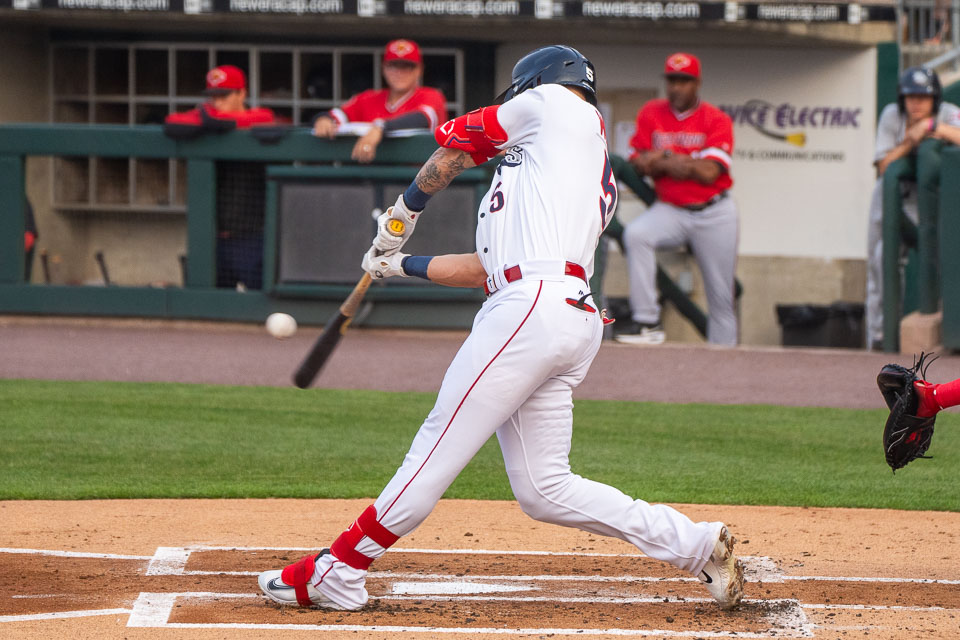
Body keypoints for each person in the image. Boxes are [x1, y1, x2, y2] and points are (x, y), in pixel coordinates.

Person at [258, 45, 745, 613]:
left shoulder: (552, 103)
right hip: (561, 312)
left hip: (531, 308)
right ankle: (695, 544)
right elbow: (485, 268)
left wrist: (402, 215)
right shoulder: (561, 163)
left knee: (435, 447)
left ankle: (340, 569)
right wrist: (398, 263)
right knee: (545, 488)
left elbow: (453, 144)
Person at [616, 53, 738, 347]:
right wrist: (683, 161)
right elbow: (638, 163)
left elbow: (709, 172)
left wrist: (664, 157)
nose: (677, 87)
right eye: (672, 80)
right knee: (636, 235)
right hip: (671, 209)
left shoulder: (715, 118)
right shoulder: (651, 113)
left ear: (697, 83)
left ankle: (725, 357)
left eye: (684, 81)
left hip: (715, 212)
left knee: (721, 295)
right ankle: (647, 322)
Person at [865, 67, 960, 350]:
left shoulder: (948, 112)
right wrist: (910, 140)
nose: (916, 103)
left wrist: (931, 127)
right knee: (880, 260)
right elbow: (884, 166)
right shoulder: (892, 115)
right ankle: (879, 337)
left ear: (934, 98)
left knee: (943, 260)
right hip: (894, 196)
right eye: (910, 96)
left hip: (933, 199)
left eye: (923, 97)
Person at [164, 65, 277, 290]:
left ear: (242, 94)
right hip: (213, 238)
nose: (217, 103)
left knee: (262, 299)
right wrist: (208, 119)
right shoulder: (206, 121)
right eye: (213, 97)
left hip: (253, 236)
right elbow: (172, 123)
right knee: (205, 301)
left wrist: (209, 119)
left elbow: (263, 118)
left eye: (223, 96)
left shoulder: (259, 117)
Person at [311, 39, 447, 164]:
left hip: (418, 177)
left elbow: (422, 118)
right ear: (384, 68)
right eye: (393, 66)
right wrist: (323, 119)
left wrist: (380, 128)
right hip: (372, 178)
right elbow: (336, 115)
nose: (399, 72)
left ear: (419, 70)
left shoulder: (431, 96)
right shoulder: (368, 98)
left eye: (407, 66)